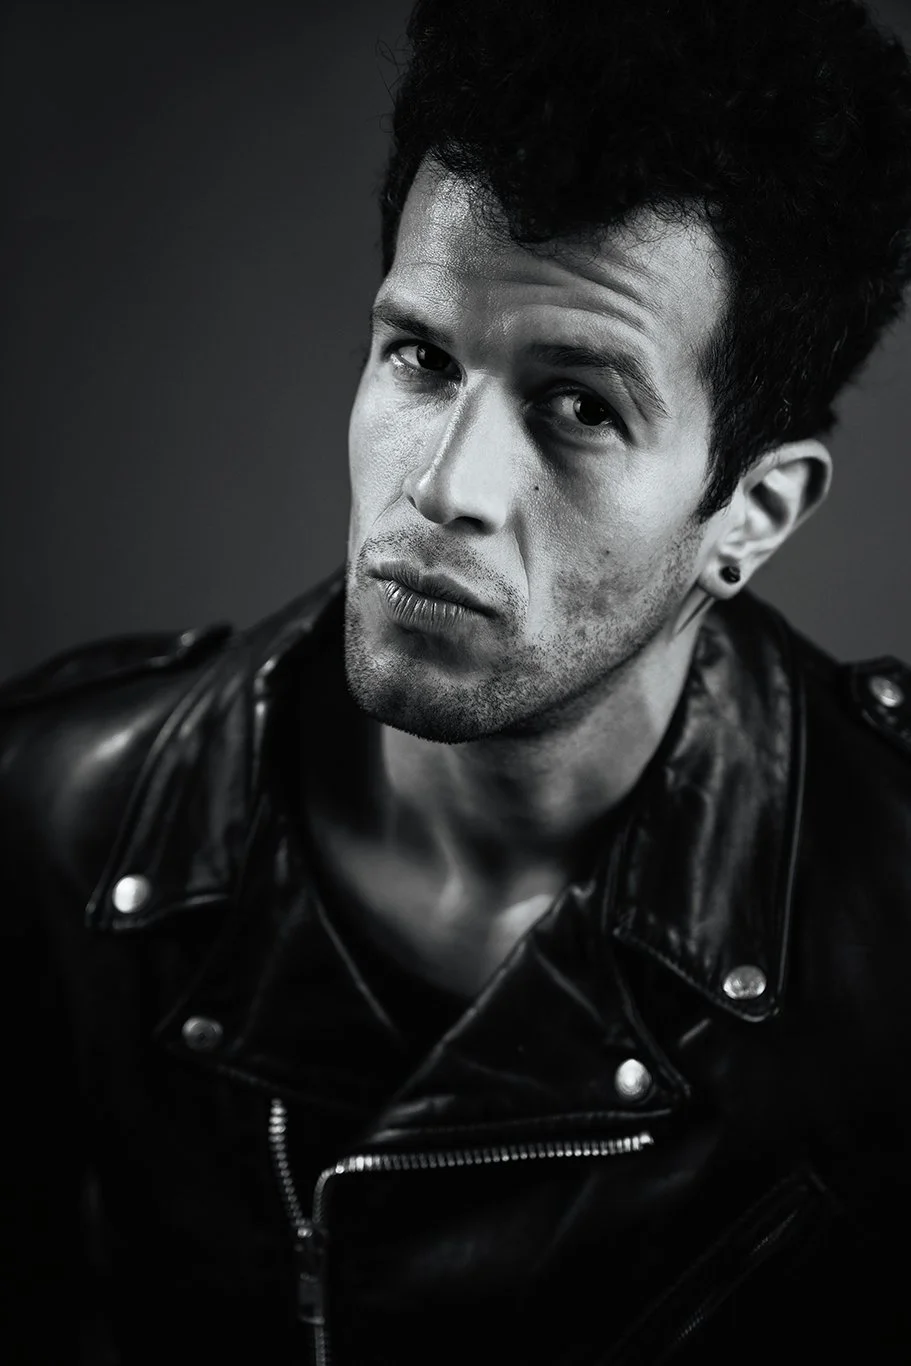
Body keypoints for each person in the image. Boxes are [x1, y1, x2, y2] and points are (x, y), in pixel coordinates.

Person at [3, 0, 911, 1361]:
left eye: (581, 407)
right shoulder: (44, 820)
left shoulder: (891, 923)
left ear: (751, 516)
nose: (442, 488)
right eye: (421, 358)